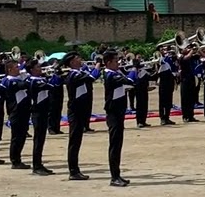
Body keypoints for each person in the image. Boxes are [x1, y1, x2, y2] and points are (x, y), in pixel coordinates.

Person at [101, 50, 132, 187]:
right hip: (113, 112)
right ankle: (114, 177)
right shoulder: (110, 75)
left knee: (118, 144)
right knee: (114, 144)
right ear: (108, 63)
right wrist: (135, 69)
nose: (118, 63)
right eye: (115, 61)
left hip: (119, 112)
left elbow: (130, 83)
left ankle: (117, 174)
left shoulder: (116, 73)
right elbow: (129, 80)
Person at [63, 54, 94, 180]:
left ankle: (75, 169)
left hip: (81, 110)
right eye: (77, 59)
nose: (80, 60)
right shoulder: (74, 74)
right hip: (75, 111)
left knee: (77, 140)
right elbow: (92, 77)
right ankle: (73, 170)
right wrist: (97, 66)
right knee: (74, 141)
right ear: (71, 62)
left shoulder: (79, 72)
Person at [27, 60, 56, 175]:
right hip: (37, 112)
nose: (41, 69)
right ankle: (36, 165)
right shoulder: (34, 81)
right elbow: (51, 86)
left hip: (43, 111)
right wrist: (54, 76)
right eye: (38, 67)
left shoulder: (39, 79)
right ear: (32, 70)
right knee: (38, 140)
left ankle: (39, 163)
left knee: (41, 139)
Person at [3, 61, 31, 170]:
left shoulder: (18, 79)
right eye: (16, 67)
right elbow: (23, 85)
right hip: (15, 112)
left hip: (23, 111)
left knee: (22, 136)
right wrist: (28, 77)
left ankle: (18, 159)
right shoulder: (9, 81)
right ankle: (15, 160)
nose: (18, 69)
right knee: (16, 137)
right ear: (10, 69)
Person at [129, 58, 154, 127]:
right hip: (138, 89)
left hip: (144, 89)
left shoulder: (144, 70)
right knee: (139, 105)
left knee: (145, 105)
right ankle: (139, 121)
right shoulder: (133, 71)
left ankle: (143, 121)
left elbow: (150, 77)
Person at [178, 44, 200, 123]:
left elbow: (200, 54)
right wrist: (191, 51)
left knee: (191, 98)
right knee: (185, 99)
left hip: (191, 78)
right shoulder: (180, 56)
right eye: (186, 48)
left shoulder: (192, 56)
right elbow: (186, 58)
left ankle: (191, 115)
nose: (188, 49)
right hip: (184, 80)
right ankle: (185, 116)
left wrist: (197, 47)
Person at [155, 50, 178, 125]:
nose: (164, 51)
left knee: (169, 101)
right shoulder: (160, 59)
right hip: (163, 82)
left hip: (170, 81)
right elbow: (159, 63)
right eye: (161, 49)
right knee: (162, 101)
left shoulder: (169, 59)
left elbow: (174, 67)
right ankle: (162, 118)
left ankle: (167, 117)